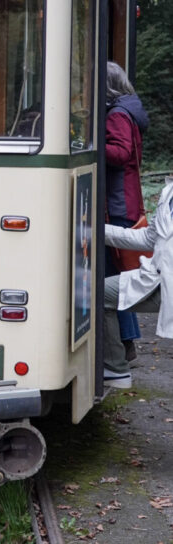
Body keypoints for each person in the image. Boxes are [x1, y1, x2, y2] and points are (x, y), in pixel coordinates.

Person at [104, 179, 173, 389]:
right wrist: (97, 230)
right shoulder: (169, 192)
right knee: (98, 293)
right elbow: (149, 238)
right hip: (158, 279)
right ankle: (115, 369)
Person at [104, 62, 149, 363]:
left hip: (118, 202)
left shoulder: (117, 114)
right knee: (119, 274)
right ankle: (126, 341)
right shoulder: (127, 110)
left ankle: (125, 343)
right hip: (125, 199)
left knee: (114, 276)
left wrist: (91, 144)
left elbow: (120, 154)